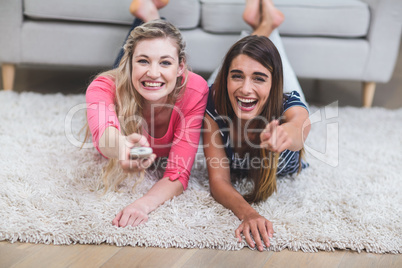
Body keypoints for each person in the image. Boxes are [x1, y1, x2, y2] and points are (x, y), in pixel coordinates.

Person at [202, 0, 311, 252]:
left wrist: (285, 134)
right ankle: (264, 23)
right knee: (242, 60)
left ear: (273, 85)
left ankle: (266, 24)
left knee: (259, 57)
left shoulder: (288, 103)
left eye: (259, 79)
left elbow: (301, 127)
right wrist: (248, 213)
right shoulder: (214, 102)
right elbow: (218, 180)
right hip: (222, 93)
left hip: (278, 100)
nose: (246, 88)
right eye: (236, 76)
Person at [85, 19, 209, 227]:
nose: (153, 72)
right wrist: (123, 146)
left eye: (165, 62)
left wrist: (143, 204)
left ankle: (149, 13)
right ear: (130, 63)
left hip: (154, 80)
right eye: (143, 61)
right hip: (125, 82)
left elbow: (178, 173)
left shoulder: (195, 90)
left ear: (181, 67)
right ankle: (147, 17)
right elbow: (104, 136)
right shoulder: (103, 87)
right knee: (134, 72)